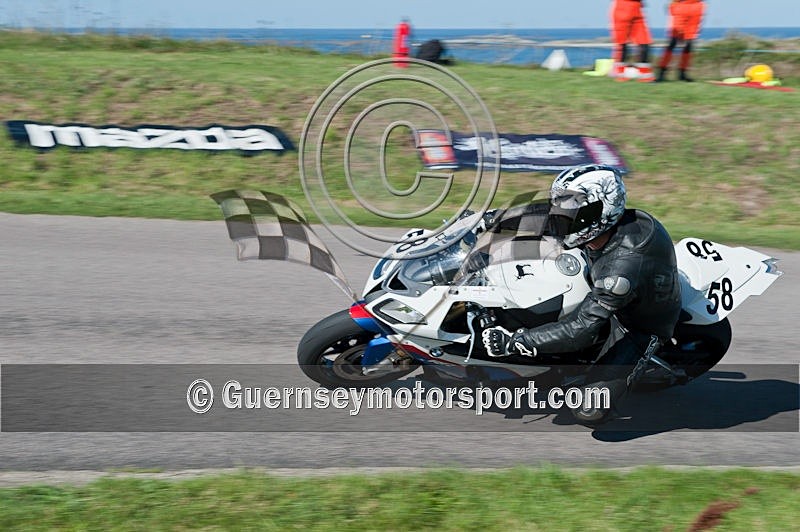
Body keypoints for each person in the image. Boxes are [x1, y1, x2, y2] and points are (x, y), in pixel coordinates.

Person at [481, 164, 682, 424]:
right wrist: (495, 218)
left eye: (572, 209)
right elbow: (544, 212)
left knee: (588, 411)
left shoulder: (620, 270)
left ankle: (634, 365)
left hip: (636, 325)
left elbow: (580, 329)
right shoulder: (597, 227)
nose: (562, 214)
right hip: (601, 285)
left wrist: (516, 342)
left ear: (601, 209)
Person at [657, 0, 706, 82]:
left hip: (696, 7)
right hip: (680, 6)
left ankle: (682, 73)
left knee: (689, 43)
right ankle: (661, 73)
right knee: (673, 41)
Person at [609, 0, 655, 82]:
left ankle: (645, 74)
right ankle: (621, 73)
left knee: (644, 42)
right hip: (622, 8)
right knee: (622, 43)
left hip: (637, 9)